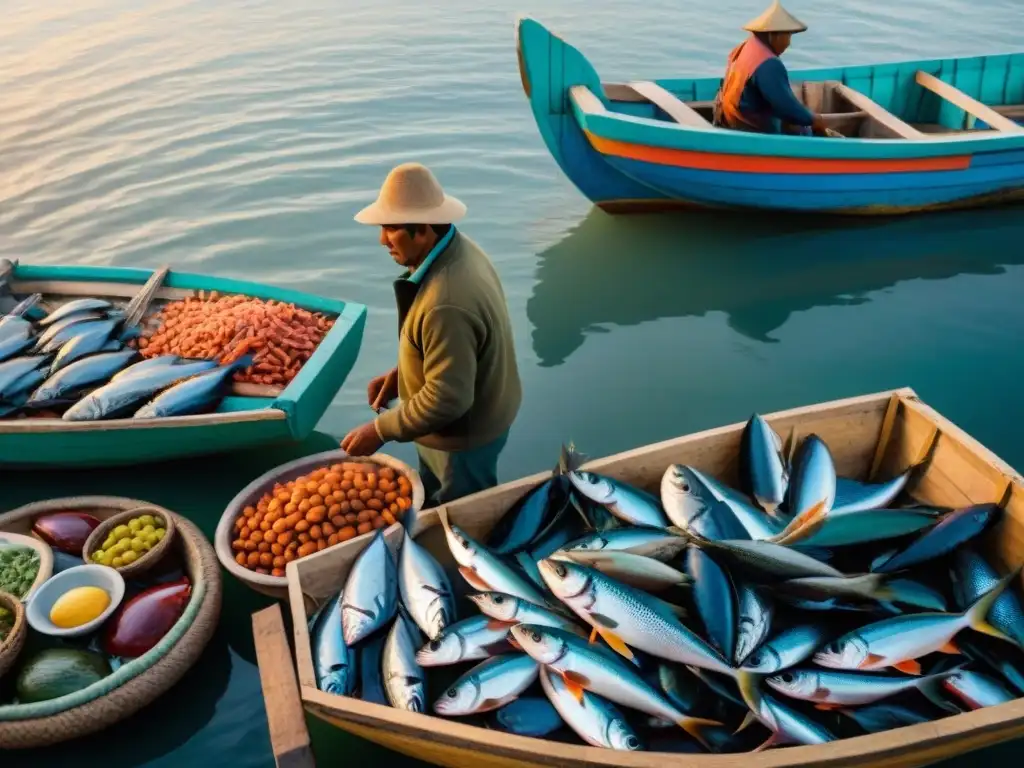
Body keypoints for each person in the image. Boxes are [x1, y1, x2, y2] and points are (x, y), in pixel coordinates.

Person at [340, 162, 522, 507]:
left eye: (391, 229)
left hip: (462, 440)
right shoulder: (460, 248)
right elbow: (454, 347)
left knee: (461, 519)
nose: (382, 240)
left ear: (422, 230)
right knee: (436, 497)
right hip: (486, 403)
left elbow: (447, 399)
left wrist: (379, 431)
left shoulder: (446, 302)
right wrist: (402, 377)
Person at [713, 0, 831, 136]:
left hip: (731, 121)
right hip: (752, 131)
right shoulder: (768, 64)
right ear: (774, 35)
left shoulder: (746, 46)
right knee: (808, 130)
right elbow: (788, 108)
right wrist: (815, 119)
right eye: (788, 35)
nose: (789, 42)